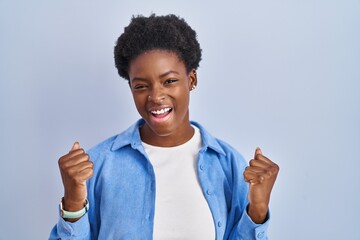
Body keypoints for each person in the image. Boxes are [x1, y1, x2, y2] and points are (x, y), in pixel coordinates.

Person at [49, 14, 279, 240]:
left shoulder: (228, 165)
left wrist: (257, 210)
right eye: (141, 86)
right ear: (130, 87)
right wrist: (72, 204)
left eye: (169, 81)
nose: (155, 97)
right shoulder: (98, 165)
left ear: (191, 79)